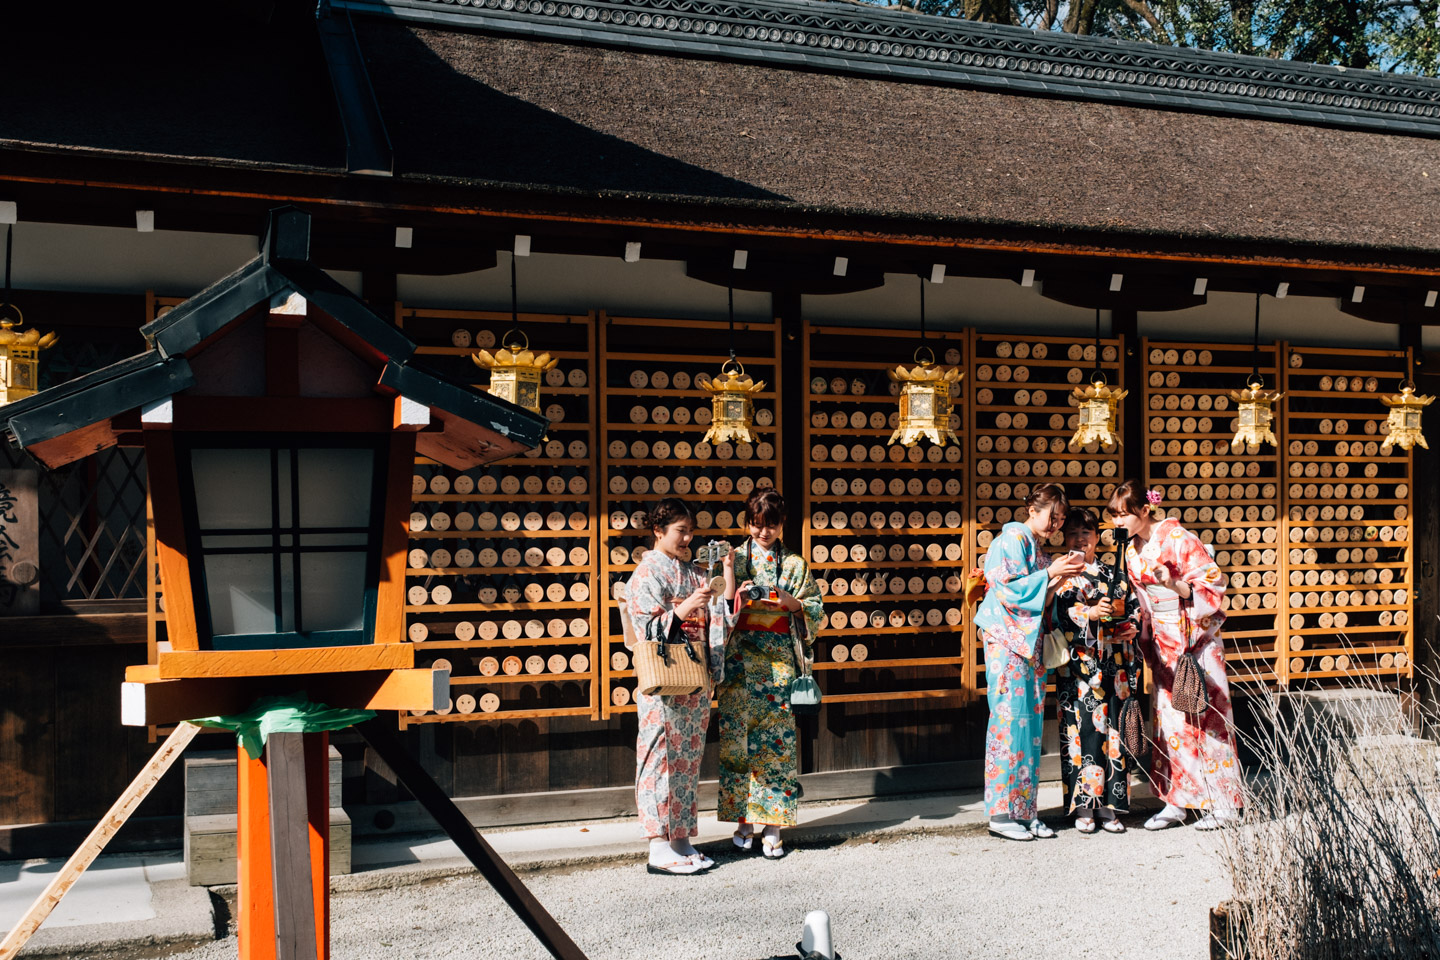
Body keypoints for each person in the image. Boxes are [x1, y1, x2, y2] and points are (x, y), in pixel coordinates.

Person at [1106, 479, 1244, 830]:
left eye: (1123, 515)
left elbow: (1211, 584)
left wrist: (1172, 584)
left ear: (1144, 510)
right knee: (1171, 721)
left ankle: (1225, 802)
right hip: (1162, 640)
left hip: (1193, 638)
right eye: (1114, 516)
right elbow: (1140, 599)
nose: (1118, 522)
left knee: (1208, 719)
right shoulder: (1132, 548)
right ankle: (1176, 800)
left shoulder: (1180, 539)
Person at [625, 497, 735, 874]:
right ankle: (658, 845)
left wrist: (723, 580)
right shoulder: (646, 574)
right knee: (659, 760)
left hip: (693, 677)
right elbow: (646, 630)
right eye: (680, 531)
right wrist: (687, 607)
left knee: (687, 762)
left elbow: (720, 614)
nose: (687, 538)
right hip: (664, 680)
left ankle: (682, 839)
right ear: (658, 531)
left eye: (690, 531)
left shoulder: (692, 571)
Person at [973, 482, 1086, 841]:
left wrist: (1057, 578)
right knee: (1008, 723)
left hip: (1028, 642)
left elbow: (1036, 595)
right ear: (1031, 511)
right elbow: (1007, 588)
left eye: (1061, 519)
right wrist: (1051, 574)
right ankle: (1001, 813)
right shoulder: (1013, 539)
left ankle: (1025, 810)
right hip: (1008, 643)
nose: (1055, 524)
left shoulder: (1034, 548)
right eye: (1052, 516)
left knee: (1029, 728)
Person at [719, 488, 823, 859]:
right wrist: (736, 589)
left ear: (782, 525)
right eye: (756, 524)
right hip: (739, 663)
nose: (763, 532)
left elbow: (813, 608)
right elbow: (719, 607)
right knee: (738, 744)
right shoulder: (734, 558)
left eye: (771, 525)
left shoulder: (794, 564)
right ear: (747, 524)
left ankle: (774, 824)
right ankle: (743, 820)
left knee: (775, 747)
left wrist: (789, 601)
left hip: (778, 661)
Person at [1052, 507, 1141, 834]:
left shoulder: (1112, 571)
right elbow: (1060, 615)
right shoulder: (1060, 573)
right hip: (1079, 668)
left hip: (1114, 665)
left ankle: (1110, 806)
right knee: (1082, 734)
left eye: (1085, 533)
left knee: (1112, 735)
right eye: (1073, 533)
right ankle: (1083, 807)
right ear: (1065, 537)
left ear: (1096, 538)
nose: (1079, 539)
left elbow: (1131, 608)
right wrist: (1088, 612)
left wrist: (1131, 626)